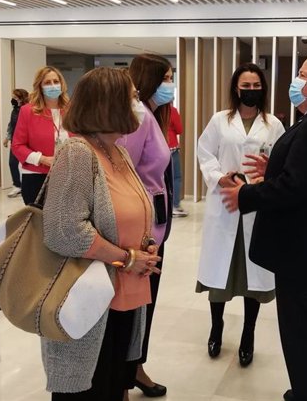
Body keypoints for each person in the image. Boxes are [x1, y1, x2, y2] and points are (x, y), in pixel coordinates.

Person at [220, 55, 307, 401]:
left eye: (302, 76)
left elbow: (294, 189)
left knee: (303, 335)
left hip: (304, 251)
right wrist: (277, 165)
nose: (296, 82)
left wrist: (245, 194)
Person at [42, 67, 161, 400]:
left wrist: (145, 246)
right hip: (90, 302)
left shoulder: (118, 152)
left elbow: (131, 212)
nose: (137, 103)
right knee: (90, 389)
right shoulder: (77, 154)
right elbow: (65, 231)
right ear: (109, 104)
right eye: (132, 97)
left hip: (122, 297)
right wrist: (128, 258)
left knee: (113, 384)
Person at [196, 63, 285, 367]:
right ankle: (216, 327)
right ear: (236, 88)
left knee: (253, 277)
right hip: (224, 202)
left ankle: (248, 333)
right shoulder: (220, 120)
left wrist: (265, 179)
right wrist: (220, 177)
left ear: (263, 89)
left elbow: (281, 163)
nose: (250, 91)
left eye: (255, 86)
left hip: (256, 205)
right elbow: (204, 152)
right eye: (245, 86)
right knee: (220, 274)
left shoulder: (273, 124)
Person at [118, 54, 174, 398]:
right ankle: (123, 378)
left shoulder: (150, 115)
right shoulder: (137, 117)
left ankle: (134, 367)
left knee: (145, 305)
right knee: (134, 306)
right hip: (140, 230)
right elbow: (124, 172)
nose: (171, 85)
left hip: (154, 226)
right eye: (166, 78)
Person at [11, 66, 69, 205]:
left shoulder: (71, 110)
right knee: (39, 223)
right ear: (40, 86)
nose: (53, 85)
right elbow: (17, 146)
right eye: (47, 83)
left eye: (56, 81)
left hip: (66, 175)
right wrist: (42, 159)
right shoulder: (28, 111)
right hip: (36, 177)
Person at [3, 88, 29, 197]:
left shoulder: (27, 109)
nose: (12, 99)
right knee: (12, 163)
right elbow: (11, 125)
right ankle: (17, 185)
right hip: (15, 140)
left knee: (27, 165)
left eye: (15, 97)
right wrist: (7, 138)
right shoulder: (14, 110)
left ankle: (27, 187)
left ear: (21, 98)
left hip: (25, 141)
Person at [167, 104, 188, 217]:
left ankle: (164, 206)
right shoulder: (172, 110)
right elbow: (179, 129)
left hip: (158, 147)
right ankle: (174, 206)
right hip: (172, 148)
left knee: (162, 179)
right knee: (176, 177)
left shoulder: (152, 110)